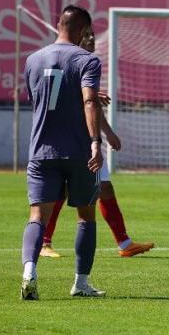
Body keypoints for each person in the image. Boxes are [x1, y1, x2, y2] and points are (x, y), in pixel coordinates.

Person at [39, 25, 154, 259]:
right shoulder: (65, 63)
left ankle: (124, 243)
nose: (92, 39)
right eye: (87, 35)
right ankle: (43, 243)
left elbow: (91, 109)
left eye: (93, 35)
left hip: (89, 142)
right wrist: (82, 94)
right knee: (61, 192)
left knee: (105, 187)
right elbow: (54, 97)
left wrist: (109, 133)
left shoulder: (90, 63)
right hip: (69, 141)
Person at [21, 5, 106, 300]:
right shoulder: (87, 60)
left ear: (58, 24)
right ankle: (81, 283)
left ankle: (29, 272)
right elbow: (89, 102)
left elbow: (38, 100)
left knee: (37, 215)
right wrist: (96, 140)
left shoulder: (32, 60)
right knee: (86, 215)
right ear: (84, 32)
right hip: (79, 151)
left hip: (41, 149)